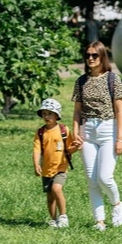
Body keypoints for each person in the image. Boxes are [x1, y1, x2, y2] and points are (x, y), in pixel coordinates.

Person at [72, 41, 122, 231]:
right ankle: (99, 221)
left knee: (104, 177)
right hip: (87, 131)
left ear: (102, 57)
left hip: (107, 129)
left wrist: (120, 139)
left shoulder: (112, 79)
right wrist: (75, 132)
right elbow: (77, 111)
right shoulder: (81, 81)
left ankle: (117, 204)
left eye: (95, 55)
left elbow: (120, 111)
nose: (90, 58)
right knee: (91, 179)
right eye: (88, 55)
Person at [32, 98, 81, 229]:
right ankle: (53, 219)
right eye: (44, 114)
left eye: (50, 113)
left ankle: (63, 216)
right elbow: (37, 150)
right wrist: (36, 164)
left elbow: (69, 149)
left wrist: (77, 147)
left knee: (56, 189)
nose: (46, 116)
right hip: (46, 169)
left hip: (61, 167)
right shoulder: (40, 132)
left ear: (57, 115)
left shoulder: (64, 130)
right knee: (50, 197)